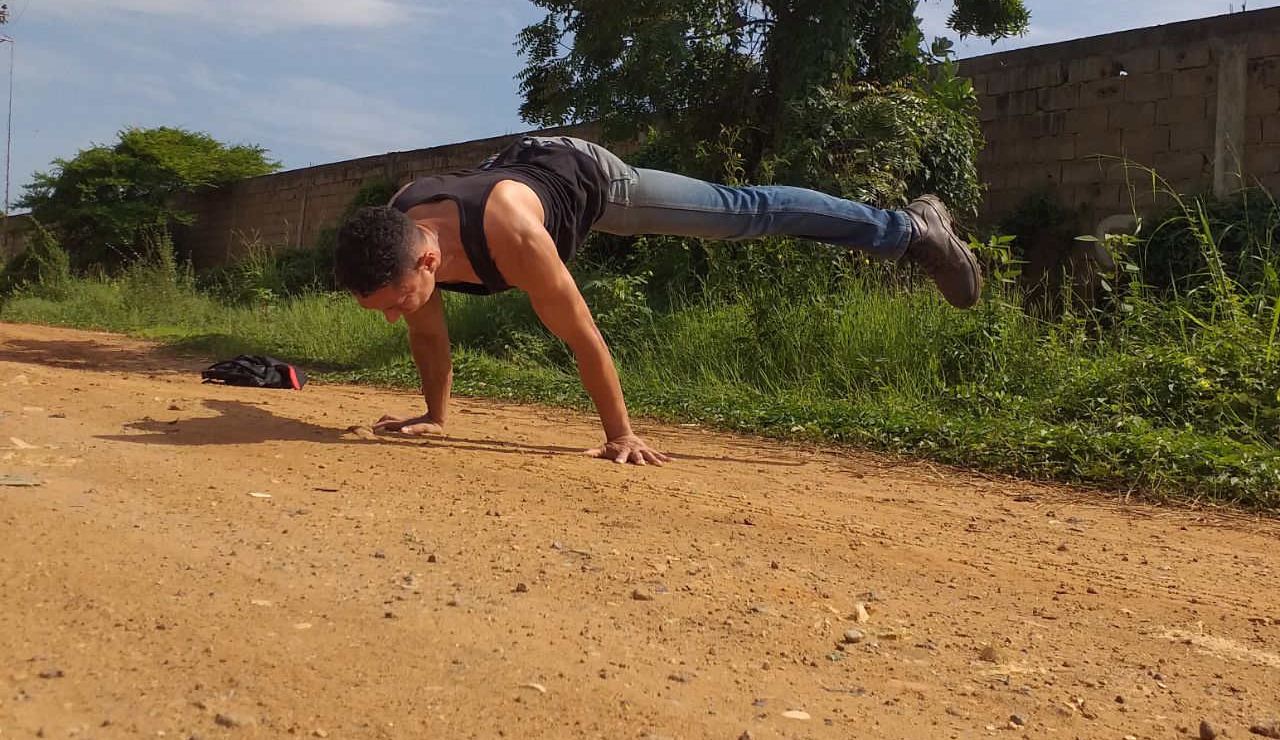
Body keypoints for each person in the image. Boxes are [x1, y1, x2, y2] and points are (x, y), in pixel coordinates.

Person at [332, 135, 981, 466]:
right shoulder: (400, 229)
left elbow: (582, 335)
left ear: (427, 259)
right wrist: (435, 415)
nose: (397, 314)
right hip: (517, 170)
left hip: (590, 177)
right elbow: (427, 334)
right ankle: (908, 228)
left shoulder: (516, 239)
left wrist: (621, 434)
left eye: (395, 301)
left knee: (739, 212)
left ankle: (911, 228)